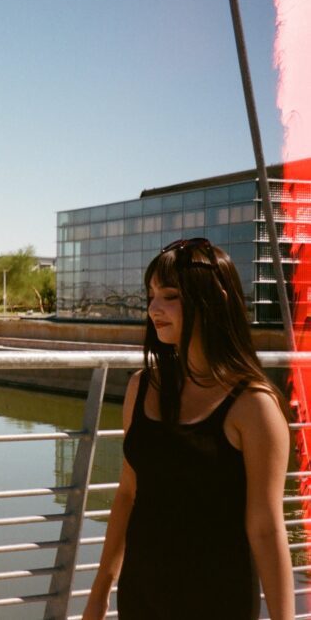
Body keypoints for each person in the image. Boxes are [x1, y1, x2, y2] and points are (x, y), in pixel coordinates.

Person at [84, 238, 294, 620]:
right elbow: (128, 495)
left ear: (211, 300)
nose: (153, 309)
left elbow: (266, 528)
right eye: (150, 295)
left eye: (170, 296)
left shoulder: (254, 406)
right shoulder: (141, 388)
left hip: (217, 600)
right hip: (141, 595)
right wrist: (98, 594)